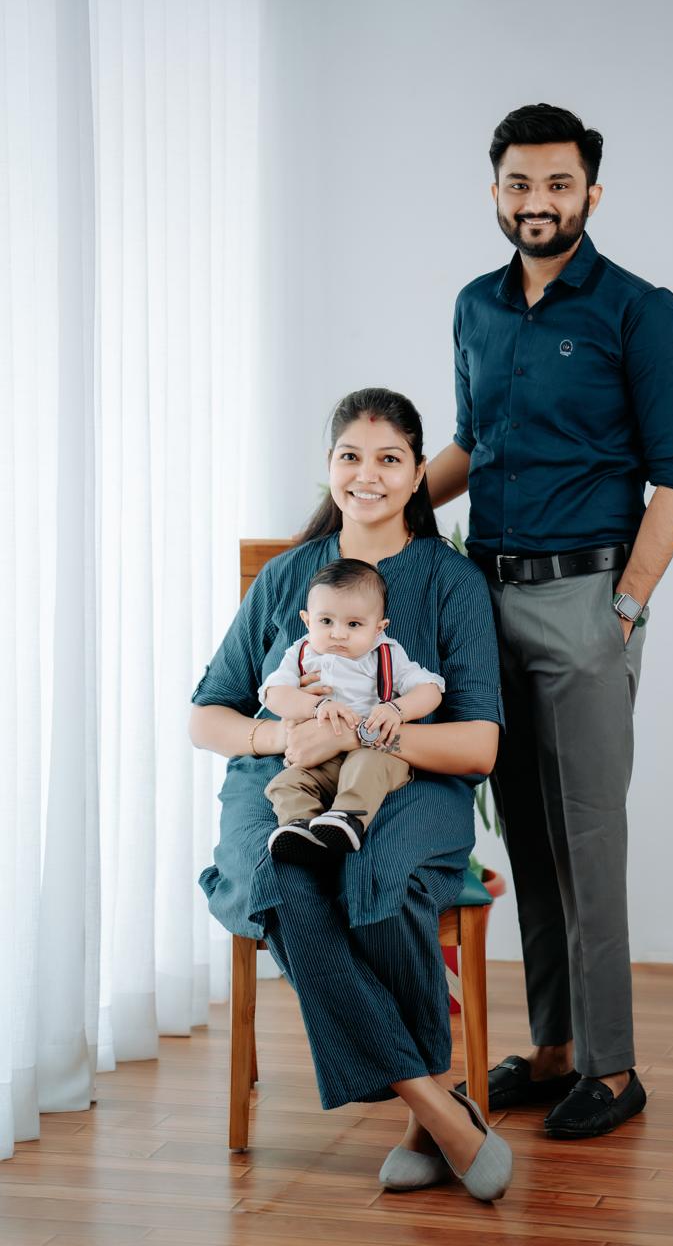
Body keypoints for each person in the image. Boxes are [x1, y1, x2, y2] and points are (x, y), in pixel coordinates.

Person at [428, 104, 673, 1139]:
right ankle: (551, 1048)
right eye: (517, 184)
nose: (535, 202)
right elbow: (471, 445)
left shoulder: (637, 309)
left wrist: (625, 606)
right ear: (494, 190)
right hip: (485, 598)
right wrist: (382, 497)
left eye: (555, 184)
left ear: (591, 191)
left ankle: (615, 1065)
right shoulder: (475, 307)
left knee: (591, 839)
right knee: (532, 840)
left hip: (587, 599)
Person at [189, 387, 513, 1199]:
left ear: (416, 476)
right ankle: (436, 1108)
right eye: (349, 456)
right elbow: (209, 714)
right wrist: (281, 736)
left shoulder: (451, 582)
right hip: (281, 779)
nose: (366, 475)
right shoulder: (289, 575)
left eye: (389, 459)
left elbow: (478, 741)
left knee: (382, 880)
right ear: (329, 467)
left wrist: (363, 735)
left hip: (405, 777)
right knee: (284, 877)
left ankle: (419, 1115)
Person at [259, 556, 445, 862]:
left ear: (378, 627)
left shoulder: (386, 653)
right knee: (285, 783)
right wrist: (315, 704)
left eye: (354, 624)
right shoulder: (302, 651)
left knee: (366, 767)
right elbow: (274, 694)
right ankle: (300, 827)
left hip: (377, 754)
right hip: (319, 759)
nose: (338, 634)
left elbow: (430, 689)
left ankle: (347, 818)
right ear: (307, 620)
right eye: (326, 621)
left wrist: (397, 710)